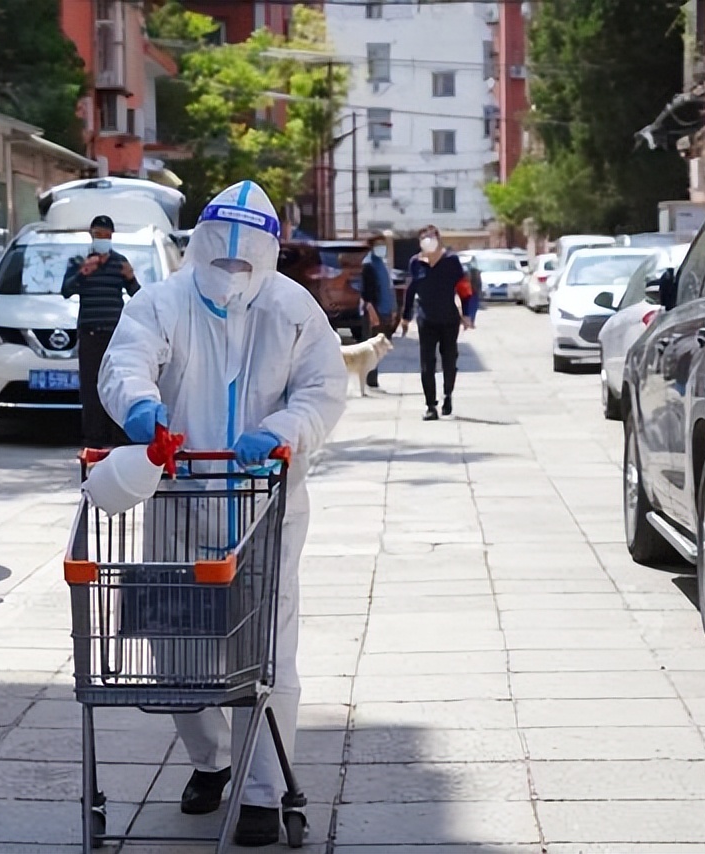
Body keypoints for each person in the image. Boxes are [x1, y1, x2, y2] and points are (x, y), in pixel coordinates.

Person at [99, 180, 346, 846]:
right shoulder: (162, 302)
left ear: (267, 256)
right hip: (178, 500)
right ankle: (211, 760)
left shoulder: (293, 310)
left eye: (244, 261)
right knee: (175, 650)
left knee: (267, 653)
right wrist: (140, 407)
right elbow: (126, 361)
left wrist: (284, 430)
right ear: (199, 246)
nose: (231, 272)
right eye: (219, 258)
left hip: (266, 505)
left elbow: (323, 390)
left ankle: (261, 794)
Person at [62, 215, 140, 447]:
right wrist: (83, 273)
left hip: (115, 335)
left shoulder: (120, 262)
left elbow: (138, 296)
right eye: (98, 235)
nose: (102, 239)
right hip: (90, 334)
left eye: (106, 235)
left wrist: (130, 278)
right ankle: (93, 439)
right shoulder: (79, 261)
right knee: (91, 387)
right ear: (91, 235)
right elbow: (66, 290)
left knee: (117, 383)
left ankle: (119, 438)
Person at [403, 224, 477, 421]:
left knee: (449, 360)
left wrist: (467, 314)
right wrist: (405, 316)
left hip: (448, 319)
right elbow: (411, 290)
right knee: (427, 363)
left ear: (438, 239)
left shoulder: (451, 261)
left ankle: (447, 395)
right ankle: (430, 406)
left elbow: (464, 289)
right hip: (426, 319)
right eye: (423, 237)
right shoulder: (415, 263)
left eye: (431, 236)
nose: (427, 240)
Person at [353, 234, 397, 388]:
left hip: (384, 310)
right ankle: (369, 380)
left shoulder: (381, 264)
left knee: (378, 349)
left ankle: (372, 379)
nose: (382, 248)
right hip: (374, 312)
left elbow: (388, 288)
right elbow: (366, 294)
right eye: (378, 245)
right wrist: (372, 314)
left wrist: (393, 309)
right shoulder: (369, 265)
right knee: (371, 348)